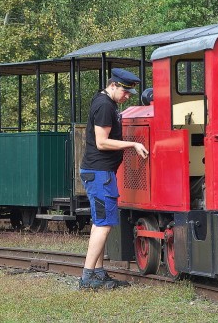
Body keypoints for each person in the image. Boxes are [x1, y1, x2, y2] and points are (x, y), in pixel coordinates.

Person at [79, 68, 149, 290]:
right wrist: (133, 144)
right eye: (125, 92)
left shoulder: (104, 102)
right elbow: (102, 142)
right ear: (113, 85)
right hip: (100, 174)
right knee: (104, 224)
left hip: (98, 173)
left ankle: (97, 273)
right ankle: (87, 278)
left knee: (100, 223)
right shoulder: (105, 106)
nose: (127, 97)